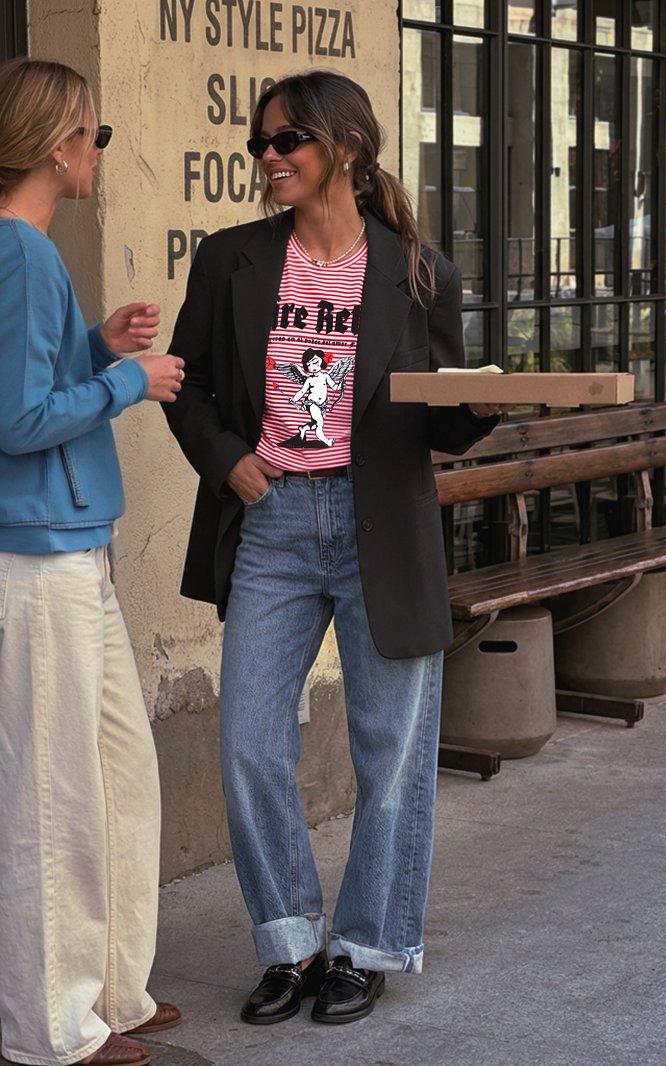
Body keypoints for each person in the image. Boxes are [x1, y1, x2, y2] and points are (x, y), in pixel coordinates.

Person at [164, 68, 501, 1027]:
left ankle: (365, 945)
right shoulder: (230, 260)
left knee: (389, 747)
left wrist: (472, 411)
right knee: (248, 744)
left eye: (286, 143)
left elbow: (435, 422)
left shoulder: (420, 271)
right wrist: (227, 460)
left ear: (343, 150)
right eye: (259, 146)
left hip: (379, 526)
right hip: (271, 524)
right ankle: (291, 943)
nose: (267, 159)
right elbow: (187, 388)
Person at [0, 58, 184, 1066]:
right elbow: (16, 419)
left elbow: (27, 376)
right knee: (53, 796)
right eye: (96, 135)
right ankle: (50, 1027)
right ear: (58, 143)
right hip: (37, 559)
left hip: (73, 548)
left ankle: (113, 984)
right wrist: (125, 379)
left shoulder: (30, 255)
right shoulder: (18, 251)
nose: (100, 153)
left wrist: (90, 347)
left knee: (118, 772)